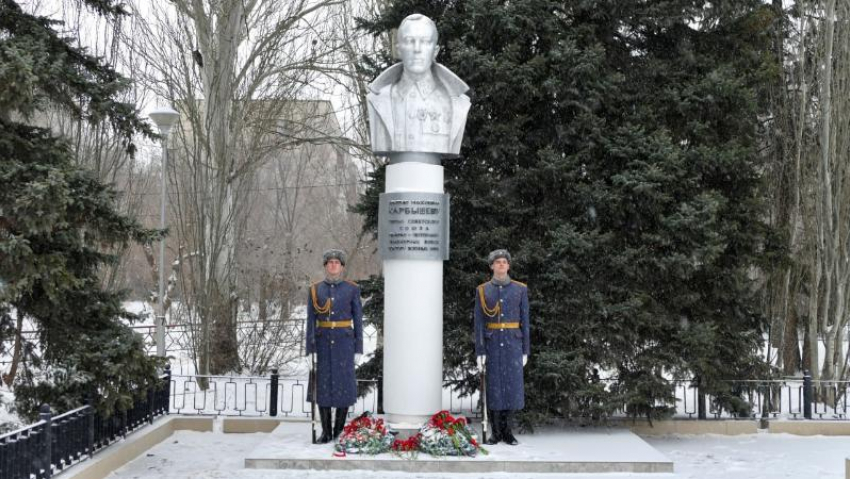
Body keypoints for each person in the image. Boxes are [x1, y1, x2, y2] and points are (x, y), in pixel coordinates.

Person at [366, 13, 470, 156]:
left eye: (425, 41)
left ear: (435, 51)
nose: (417, 49)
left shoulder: (457, 103)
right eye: (409, 41)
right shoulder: (378, 100)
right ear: (399, 49)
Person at [305, 249, 363, 444]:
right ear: (325, 266)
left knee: (344, 388)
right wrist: (309, 348)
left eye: (336, 262)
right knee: (322, 389)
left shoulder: (352, 289)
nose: (333, 265)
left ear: (342, 266)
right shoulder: (315, 290)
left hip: (344, 344)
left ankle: (339, 431)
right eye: (329, 262)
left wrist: (358, 348)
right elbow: (311, 320)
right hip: (322, 344)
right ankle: (326, 433)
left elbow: (358, 320)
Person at [474, 249, 529, 445]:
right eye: (497, 262)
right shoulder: (483, 290)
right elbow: (479, 322)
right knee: (495, 387)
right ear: (491, 266)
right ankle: (495, 432)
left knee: (512, 388)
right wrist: (480, 351)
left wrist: (525, 350)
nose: (501, 265)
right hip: (493, 344)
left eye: (504, 262)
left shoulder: (520, 289)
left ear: (509, 266)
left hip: (513, 344)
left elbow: (525, 321)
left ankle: (508, 432)